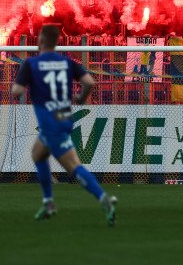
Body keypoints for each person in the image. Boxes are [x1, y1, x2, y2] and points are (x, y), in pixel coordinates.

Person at [11, 25, 117, 225]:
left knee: (73, 166)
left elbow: (16, 91)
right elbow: (90, 82)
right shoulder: (67, 62)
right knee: (38, 154)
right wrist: (81, 98)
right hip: (64, 116)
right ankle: (48, 202)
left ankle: (104, 199)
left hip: (51, 122)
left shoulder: (31, 64)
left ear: (41, 40)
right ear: (57, 41)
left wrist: (23, 85)